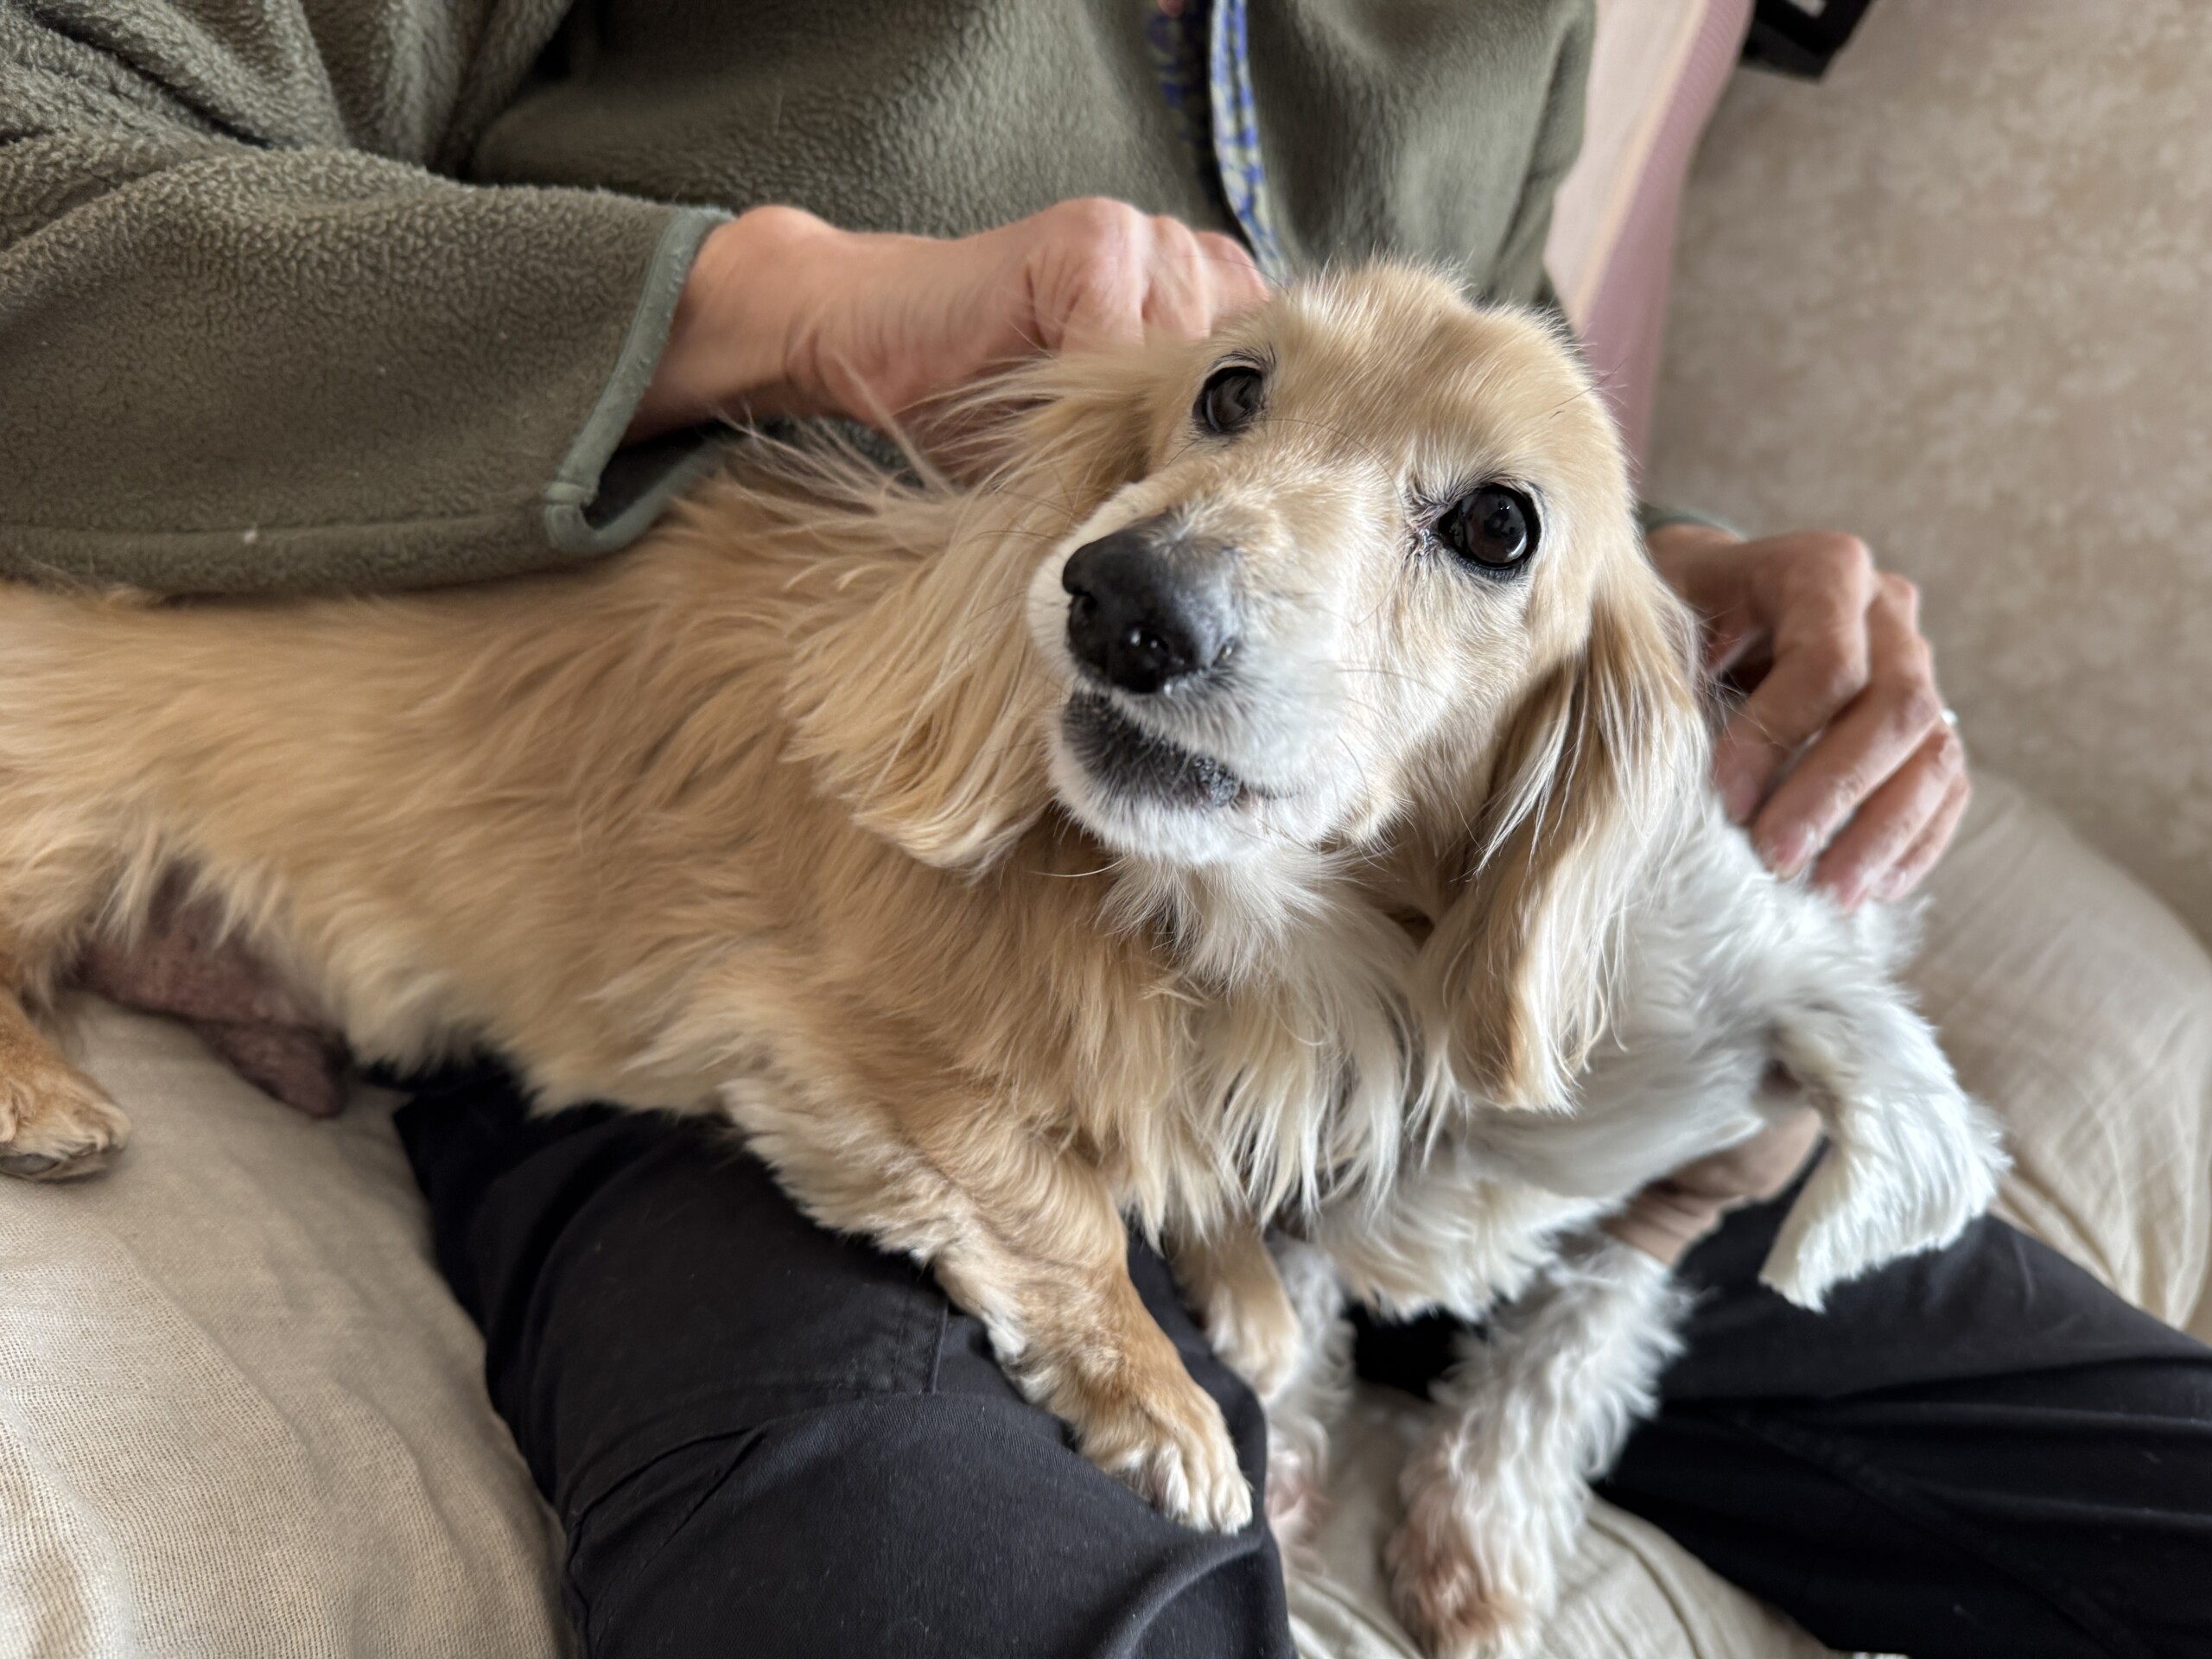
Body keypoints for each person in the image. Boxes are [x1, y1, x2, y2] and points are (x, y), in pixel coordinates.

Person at [3, 3, 2206, 1656]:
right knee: (911, 1576)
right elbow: (39, 160)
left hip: (1348, 1014)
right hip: (757, 848)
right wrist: (769, 309)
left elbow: (1449, 362)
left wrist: (1667, 577)